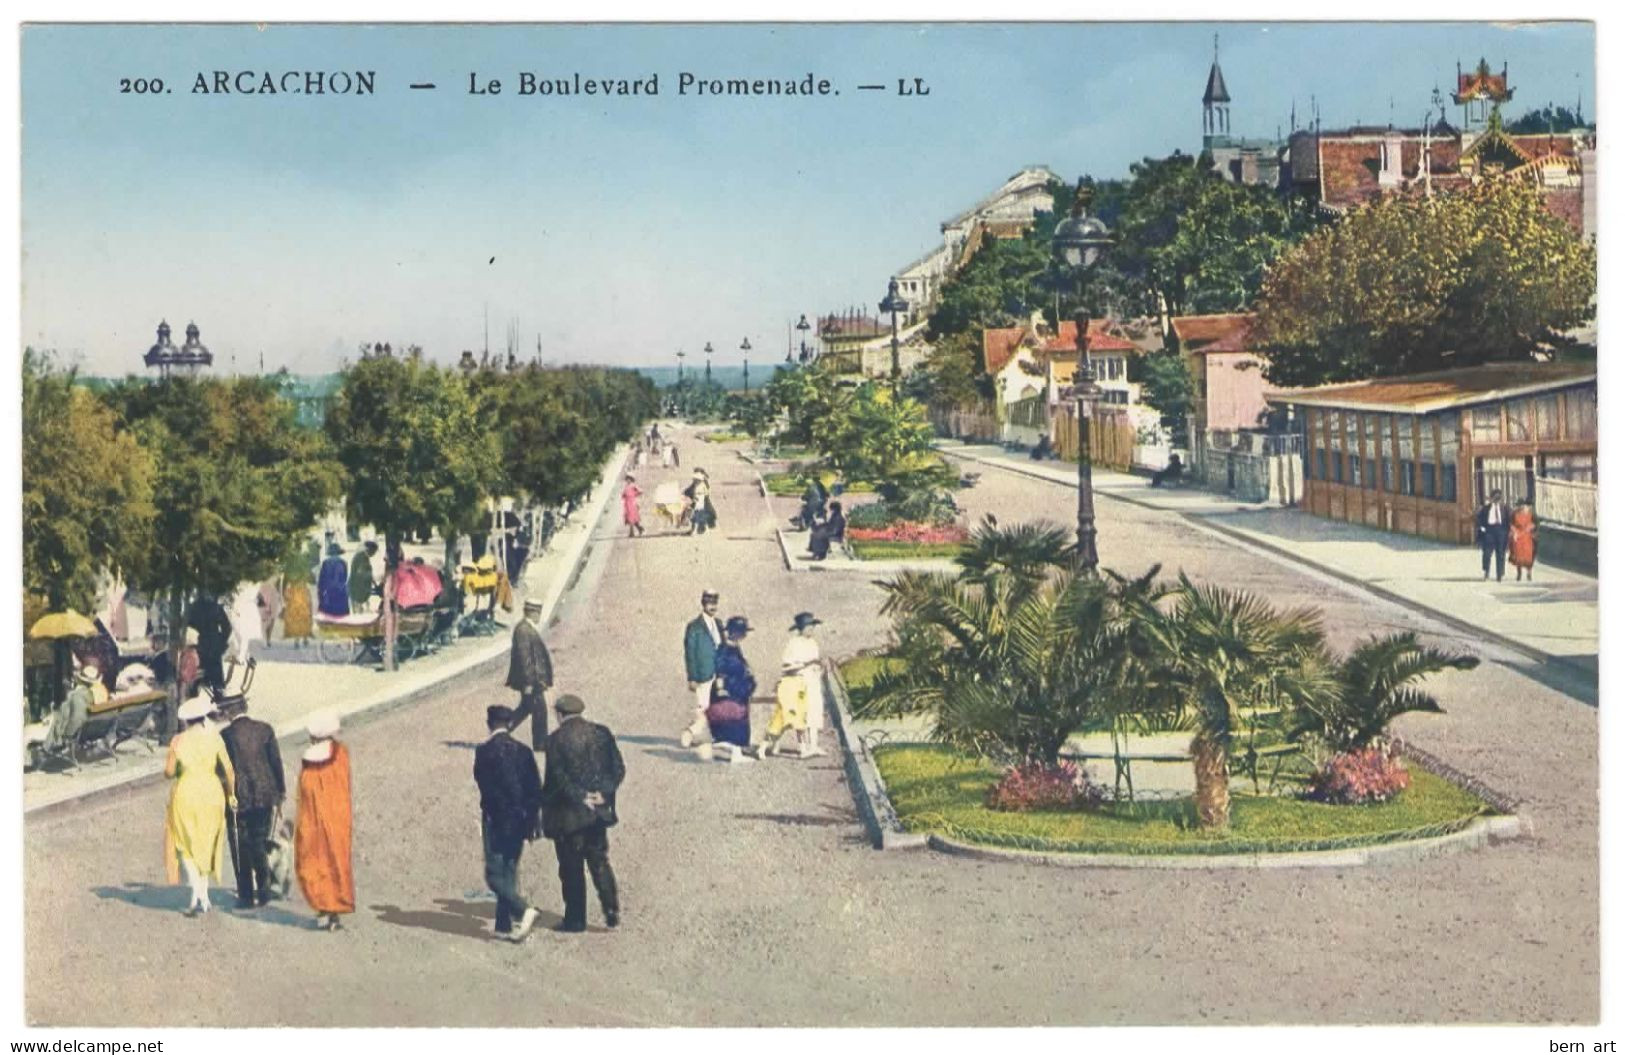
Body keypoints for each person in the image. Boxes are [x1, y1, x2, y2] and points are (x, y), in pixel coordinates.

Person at [540, 694, 624, 933]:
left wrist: (580, 797)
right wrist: (602, 794)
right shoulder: (602, 733)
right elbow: (617, 769)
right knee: (600, 862)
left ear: (559, 714)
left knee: (571, 868)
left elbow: (558, 779)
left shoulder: (555, 740)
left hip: (569, 816)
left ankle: (576, 920)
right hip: (597, 814)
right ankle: (611, 912)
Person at [163, 696, 238, 917]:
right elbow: (229, 771)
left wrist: (177, 768)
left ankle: (198, 893)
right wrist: (231, 795)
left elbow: (168, 772)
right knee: (206, 842)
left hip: (186, 792)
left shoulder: (178, 741)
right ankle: (202, 894)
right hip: (212, 792)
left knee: (185, 844)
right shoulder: (214, 738)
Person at [475, 704, 543, 942]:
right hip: (520, 818)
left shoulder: (484, 752)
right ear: (511, 724)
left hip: (495, 819)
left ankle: (523, 910)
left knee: (494, 874)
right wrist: (533, 820)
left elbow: (483, 785)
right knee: (510, 868)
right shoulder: (523, 751)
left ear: (489, 724)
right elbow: (535, 788)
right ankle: (503, 924)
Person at [219, 697, 285, 910]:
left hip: (238, 797)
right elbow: (275, 762)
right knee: (260, 840)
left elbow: (223, 772)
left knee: (239, 845)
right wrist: (280, 792)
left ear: (229, 713)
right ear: (245, 708)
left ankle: (246, 894)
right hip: (265, 795)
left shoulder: (225, 736)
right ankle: (264, 888)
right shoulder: (265, 730)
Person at [295, 710, 354, 932]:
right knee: (336, 862)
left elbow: (305, 791)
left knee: (313, 862)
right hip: (338, 817)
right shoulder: (341, 754)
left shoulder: (309, 764)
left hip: (313, 820)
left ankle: (322, 908)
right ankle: (335, 911)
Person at [758, 612, 827, 759]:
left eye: (812, 626)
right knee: (792, 716)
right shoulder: (793, 644)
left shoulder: (813, 643)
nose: (810, 629)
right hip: (798, 682)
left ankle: (813, 745)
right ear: (800, 628)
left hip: (813, 681)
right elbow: (787, 667)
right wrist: (807, 664)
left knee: (814, 712)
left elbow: (816, 662)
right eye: (807, 627)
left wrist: (820, 667)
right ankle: (775, 745)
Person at [701, 616, 756, 763]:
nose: (743, 635)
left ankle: (735, 751)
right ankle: (734, 753)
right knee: (732, 718)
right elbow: (720, 670)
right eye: (742, 632)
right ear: (735, 632)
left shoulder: (735, 648)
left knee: (738, 719)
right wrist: (721, 688)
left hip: (738, 690)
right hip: (729, 690)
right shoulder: (724, 650)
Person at [506, 598, 556, 751]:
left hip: (533, 679)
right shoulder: (523, 630)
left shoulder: (526, 628)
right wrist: (528, 682)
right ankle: (540, 743)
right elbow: (525, 657)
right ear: (532, 612)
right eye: (537, 612)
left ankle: (502, 730)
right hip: (531, 680)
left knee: (527, 708)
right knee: (539, 710)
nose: (539, 615)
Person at [680, 590, 722, 749]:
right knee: (704, 708)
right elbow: (690, 653)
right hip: (703, 675)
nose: (713, 607)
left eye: (715, 604)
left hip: (718, 674)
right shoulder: (694, 627)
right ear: (703, 605)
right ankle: (689, 733)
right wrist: (692, 677)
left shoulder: (718, 624)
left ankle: (717, 736)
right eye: (710, 604)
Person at [186, 594, 232, 699]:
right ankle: (219, 695)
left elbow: (187, 627)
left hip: (199, 646)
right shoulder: (215, 607)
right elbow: (227, 627)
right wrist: (222, 640)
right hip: (214, 646)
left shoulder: (193, 607)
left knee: (197, 676)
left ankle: (194, 697)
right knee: (216, 678)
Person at [44, 666, 99, 753]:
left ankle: (47, 748)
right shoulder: (90, 695)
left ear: (79, 680)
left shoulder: (73, 695)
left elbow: (64, 717)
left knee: (57, 720)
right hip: (88, 729)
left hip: (75, 731)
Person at [1475, 489, 1513, 582]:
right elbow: (1478, 519)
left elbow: (1510, 520)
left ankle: (1499, 575)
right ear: (1491, 498)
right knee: (1487, 553)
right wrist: (1482, 528)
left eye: (1498, 498)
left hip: (1501, 531)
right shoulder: (1486, 508)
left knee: (1500, 554)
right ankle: (1486, 571)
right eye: (1495, 498)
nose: (1496, 500)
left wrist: (1508, 532)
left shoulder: (1505, 508)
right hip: (1489, 531)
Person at [317, 543, 350, 617]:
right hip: (341, 592)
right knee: (341, 617)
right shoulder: (343, 563)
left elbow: (322, 581)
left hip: (329, 592)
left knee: (330, 616)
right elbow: (344, 578)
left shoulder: (326, 563)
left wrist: (321, 594)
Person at [1509, 499, 1538, 582]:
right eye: (1519, 506)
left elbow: (1536, 523)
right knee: (1518, 554)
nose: (1520, 507)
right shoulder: (1514, 513)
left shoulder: (1531, 513)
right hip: (1518, 536)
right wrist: (1514, 531)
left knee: (1528, 555)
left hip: (1528, 536)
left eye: (1521, 505)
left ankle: (1529, 572)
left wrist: (1531, 527)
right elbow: (1511, 524)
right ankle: (1519, 573)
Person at [349, 541, 378, 614]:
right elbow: (361, 573)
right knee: (358, 612)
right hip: (358, 589)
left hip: (359, 588)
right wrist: (373, 578)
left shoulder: (363, 556)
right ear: (370, 550)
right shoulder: (361, 557)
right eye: (374, 552)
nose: (374, 554)